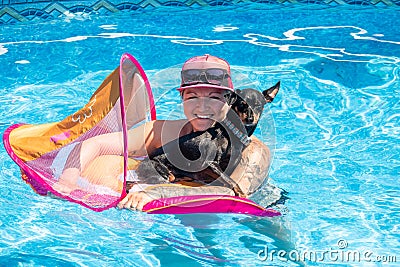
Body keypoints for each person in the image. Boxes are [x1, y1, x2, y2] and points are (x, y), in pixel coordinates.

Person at [58, 54, 271, 211]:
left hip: (245, 216)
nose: (202, 107)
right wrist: (67, 183)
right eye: (192, 97)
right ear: (182, 100)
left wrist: (157, 193)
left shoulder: (253, 153)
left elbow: (232, 196)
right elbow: (95, 144)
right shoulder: (161, 132)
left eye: (214, 98)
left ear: (229, 103)